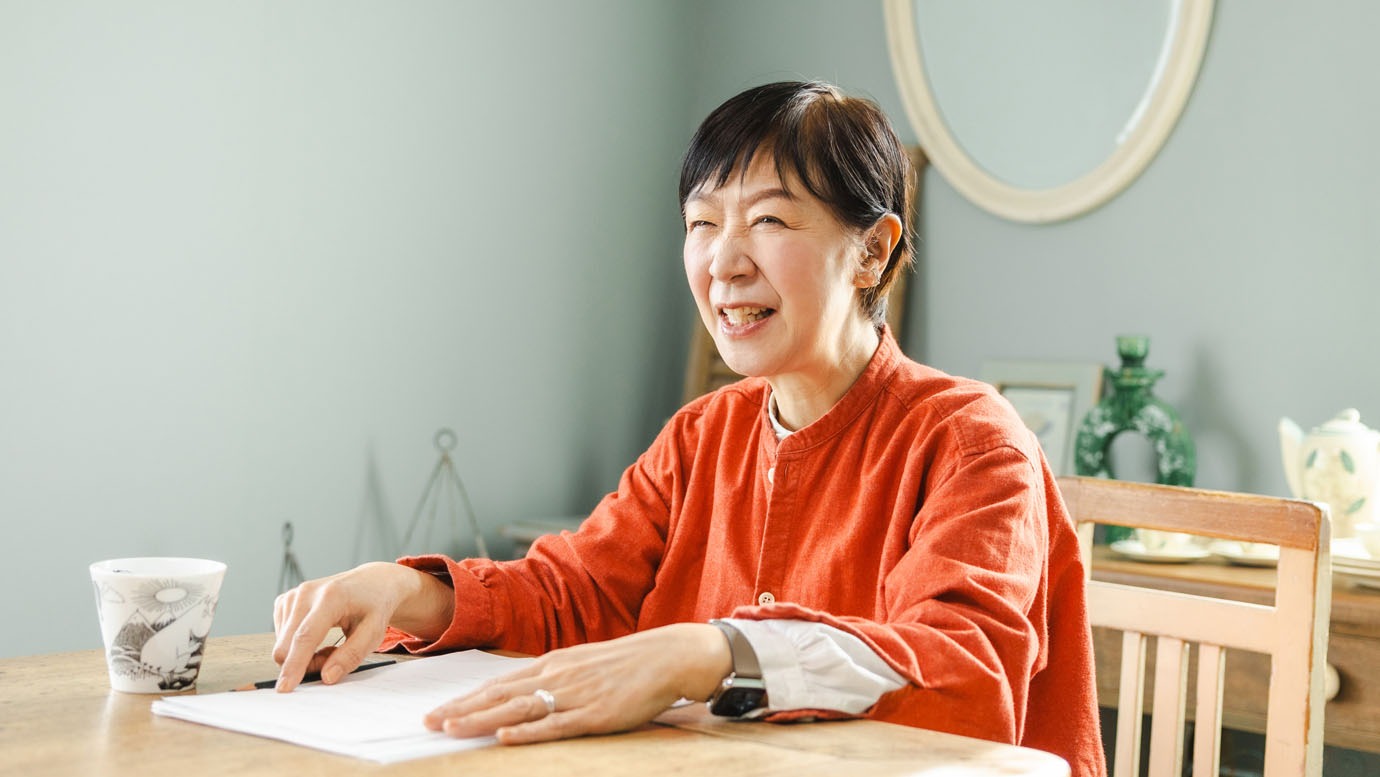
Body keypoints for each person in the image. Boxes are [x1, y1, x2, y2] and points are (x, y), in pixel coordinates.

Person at [273, 80, 1106, 777]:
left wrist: (709, 652)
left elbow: (962, 669)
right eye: (703, 223)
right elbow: (577, 591)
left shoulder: (971, 439)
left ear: (872, 252)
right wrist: (407, 592)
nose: (724, 261)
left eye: (769, 220)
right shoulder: (702, 433)